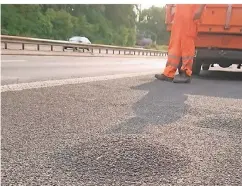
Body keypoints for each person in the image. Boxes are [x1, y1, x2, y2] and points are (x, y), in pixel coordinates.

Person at [155, 4, 206, 83]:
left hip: (191, 13)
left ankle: (186, 73)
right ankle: (168, 73)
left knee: (187, 44)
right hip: (179, 15)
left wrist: (200, 9)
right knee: (174, 44)